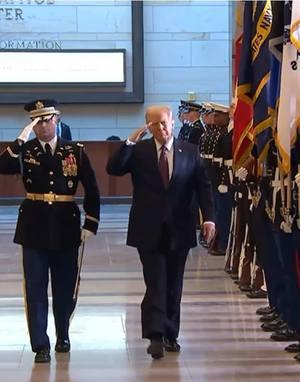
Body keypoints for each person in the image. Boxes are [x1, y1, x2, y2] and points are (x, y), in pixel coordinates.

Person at [106, 105, 215, 359]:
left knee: (174, 283)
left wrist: (209, 218)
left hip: (180, 227)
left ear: (173, 123)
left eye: (164, 123)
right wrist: (130, 141)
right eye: (155, 124)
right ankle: (155, 335)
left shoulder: (189, 151)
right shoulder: (140, 151)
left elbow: (203, 187)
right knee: (155, 281)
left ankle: (170, 334)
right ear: (148, 126)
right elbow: (114, 168)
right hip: (148, 227)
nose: (161, 128)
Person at [0, 99, 100, 363]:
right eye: (36, 121)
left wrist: (91, 222)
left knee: (64, 285)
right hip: (33, 226)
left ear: (57, 119)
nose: (42, 125)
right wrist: (19, 141)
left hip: (66, 225)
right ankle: (40, 344)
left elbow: (91, 187)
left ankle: (63, 335)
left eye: (47, 119)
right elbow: (2, 166)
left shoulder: (74, 151)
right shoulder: (26, 150)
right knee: (35, 287)